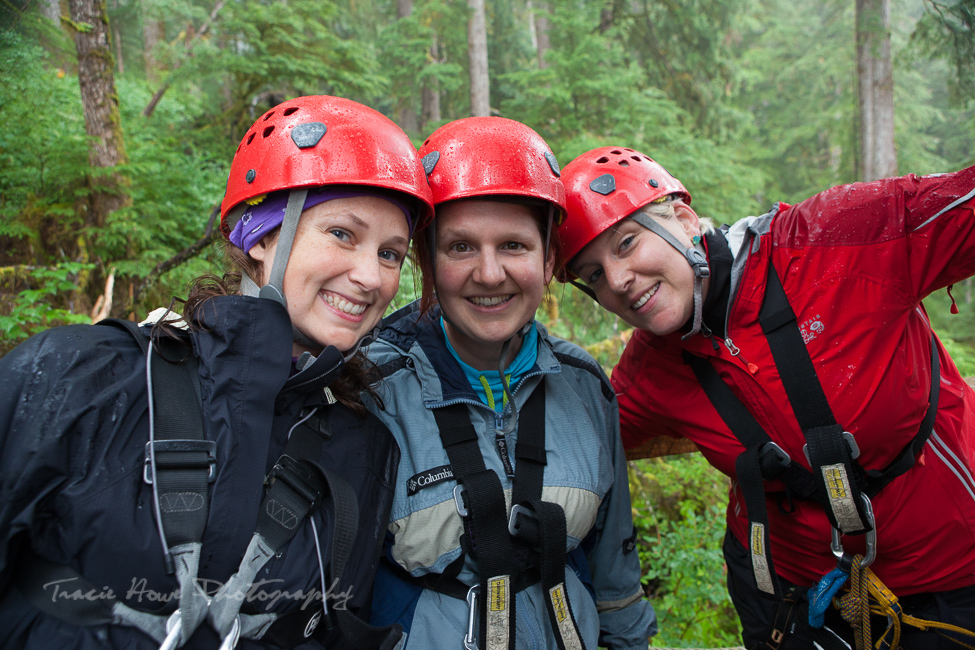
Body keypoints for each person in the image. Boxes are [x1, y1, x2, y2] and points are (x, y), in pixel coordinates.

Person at [0, 95, 434, 650]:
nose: (371, 277)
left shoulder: (364, 449)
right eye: (343, 234)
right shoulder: (83, 376)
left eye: (391, 254)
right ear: (261, 236)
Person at [556, 145, 975, 649]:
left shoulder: (840, 238)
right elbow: (571, 436)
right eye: (594, 274)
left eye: (626, 244)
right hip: (787, 595)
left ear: (684, 219)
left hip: (953, 569)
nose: (618, 281)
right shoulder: (650, 369)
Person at [362, 119, 656, 649]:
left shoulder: (584, 387)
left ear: (548, 261)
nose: (490, 273)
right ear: (427, 262)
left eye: (514, 245)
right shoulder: (372, 388)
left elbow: (615, 576)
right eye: (460, 248)